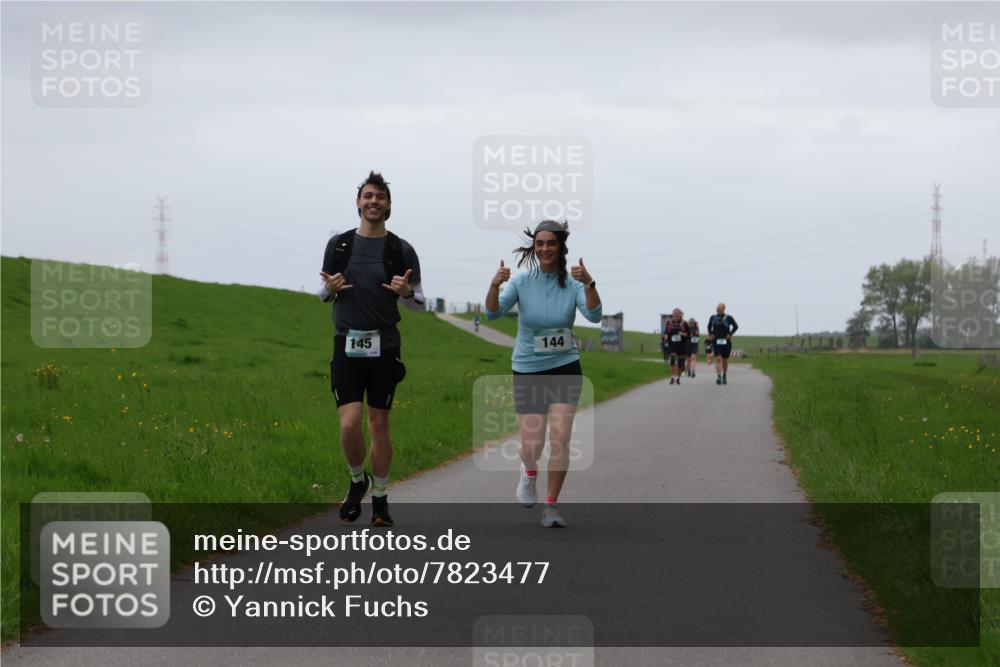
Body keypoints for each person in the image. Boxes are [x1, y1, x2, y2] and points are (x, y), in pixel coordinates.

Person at [318, 171, 424, 527]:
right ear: (358, 202)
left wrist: (406, 293)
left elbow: (418, 303)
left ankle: (380, 499)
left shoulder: (401, 249)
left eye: (380, 196)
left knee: (379, 424)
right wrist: (328, 289)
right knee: (349, 425)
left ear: (389, 205)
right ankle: (356, 479)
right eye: (368, 196)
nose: (373, 201)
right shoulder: (339, 245)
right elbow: (324, 292)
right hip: (346, 342)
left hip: (385, 345)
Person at [485, 220, 602, 528]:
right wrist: (494, 285)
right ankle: (529, 471)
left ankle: (551, 506)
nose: (545, 248)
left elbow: (594, 315)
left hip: (565, 365)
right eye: (540, 244)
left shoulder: (574, 284)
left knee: (561, 438)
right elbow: (492, 313)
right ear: (534, 247)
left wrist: (590, 283)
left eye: (551, 243)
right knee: (533, 445)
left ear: (561, 246)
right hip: (528, 369)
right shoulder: (523, 281)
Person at [707, 302, 739, 385]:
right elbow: (709, 326)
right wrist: (711, 334)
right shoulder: (713, 317)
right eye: (717, 308)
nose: (717, 310)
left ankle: (724, 376)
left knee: (725, 359)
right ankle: (718, 377)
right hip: (716, 341)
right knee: (718, 358)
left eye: (719, 308)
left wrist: (730, 334)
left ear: (723, 309)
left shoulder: (728, 317)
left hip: (726, 341)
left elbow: (736, 326)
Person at [663, 308, 690, 385]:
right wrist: (666, 336)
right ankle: (672, 377)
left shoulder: (684, 323)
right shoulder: (669, 323)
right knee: (672, 359)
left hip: (682, 345)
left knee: (680, 362)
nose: (676, 316)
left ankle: (677, 377)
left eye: (677, 315)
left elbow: (688, 335)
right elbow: (666, 332)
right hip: (672, 345)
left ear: (680, 315)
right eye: (674, 315)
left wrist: (683, 334)